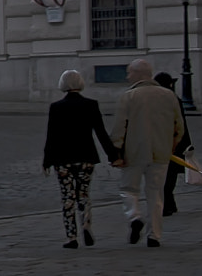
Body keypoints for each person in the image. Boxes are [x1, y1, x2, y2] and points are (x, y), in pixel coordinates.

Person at [110, 58, 184, 246]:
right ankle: (154, 236)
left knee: (128, 189)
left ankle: (134, 217)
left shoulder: (128, 96)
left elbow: (120, 128)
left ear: (139, 74)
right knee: (156, 194)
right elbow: (179, 127)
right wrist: (172, 145)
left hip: (133, 152)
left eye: (130, 72)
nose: (127, 76)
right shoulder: (169, 96)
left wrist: (116, 151)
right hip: (161, 152)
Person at [42, 69, 118, 248]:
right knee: (83, 193)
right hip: (86, 157)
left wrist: (47, 160)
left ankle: (71, 237)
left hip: (62, 159)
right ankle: (86, 223)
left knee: (67, 197)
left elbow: (51, 136)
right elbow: (100, 132)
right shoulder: (91, 105)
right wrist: (113, 155)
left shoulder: (56, 107)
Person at [152, 72, 190, 217]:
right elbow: (182, 125)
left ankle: (168, 203)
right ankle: (169, 203)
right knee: (170, 175)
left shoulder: (153, 100)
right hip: (173, 142)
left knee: (162, 175)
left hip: (160, 143)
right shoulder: (174, 99)